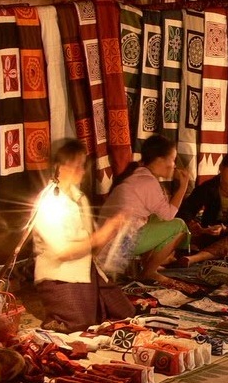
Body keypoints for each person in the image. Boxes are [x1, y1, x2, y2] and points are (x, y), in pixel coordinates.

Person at [33, 139, 135, 333]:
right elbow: (63, 252)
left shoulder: (79, 197)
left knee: (126, 314)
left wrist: (113, 229)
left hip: (87, 269)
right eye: (76, 165)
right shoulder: (49, 202)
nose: (81, 170)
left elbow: (92, 247)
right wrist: (102, 234)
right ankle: (55, 319)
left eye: (82, 165)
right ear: (59, 167)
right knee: (80, 326)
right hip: (60, 275)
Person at [101, 134, 190, 285]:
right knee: (179, 225)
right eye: (172, 159)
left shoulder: (138, 174)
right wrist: (183, 187)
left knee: (155, 218)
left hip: (110, 243)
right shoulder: (147, 181)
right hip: (119, 245)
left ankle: (147, 265)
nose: (174, 165)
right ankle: (149, 271)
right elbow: (169, 215)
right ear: (160, 160)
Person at [175, 151, 228, 266]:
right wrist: (191, 223)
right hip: (210, 232)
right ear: (221, 168)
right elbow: (186, 209)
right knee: (182, 236)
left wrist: (224, 228)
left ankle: (194, 258)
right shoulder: (208, 187)